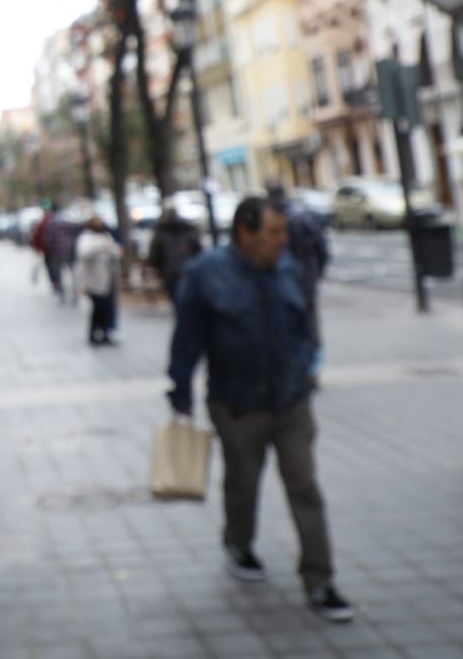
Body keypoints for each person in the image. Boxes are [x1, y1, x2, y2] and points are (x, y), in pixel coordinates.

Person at [166, 196, 354, 623]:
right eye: (273, 233)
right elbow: (187, 338)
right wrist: (179, 390)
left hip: (291, 402)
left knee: (304, 486)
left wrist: (307, 366)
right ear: (244, 234)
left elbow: (305, 324)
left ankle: (320, 581)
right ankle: (239, 542)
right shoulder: (206, 275)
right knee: (242, 484)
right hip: (237, 405)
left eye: (283, 232)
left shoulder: (286, 265)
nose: (282, 240)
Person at [266, 181, 331, 356]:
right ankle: (311, 366)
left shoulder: (269, 222)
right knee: (309, 326)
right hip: (306, 280)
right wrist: (319, 272)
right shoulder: (302, 217)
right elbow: (322, 249)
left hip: (281, 284)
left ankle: (301, 364)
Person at [75, 210, 121, 345]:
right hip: (93, 279)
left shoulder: (106, 236)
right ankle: (94, 333)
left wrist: (111, 247)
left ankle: (106, 332)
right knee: (98, 307)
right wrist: (100, 246)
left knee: (108, 307)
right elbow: (83, 254)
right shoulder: (86, 237)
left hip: (108, 277)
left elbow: (116, 252)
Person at [147, 209, 203, 303]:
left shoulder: (161, 231)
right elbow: (198, 251)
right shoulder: (188, 230)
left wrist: (157, 267)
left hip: (169, 271)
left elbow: (155, 252)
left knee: (176, 300)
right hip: (189, 269)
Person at [40, 208, 78, 302]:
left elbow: (48, 238)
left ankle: (62, 293)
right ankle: (75, 293)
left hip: (57, 251)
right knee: (72, 272)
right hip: (69, 250)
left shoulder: (52, 224)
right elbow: (75, 235)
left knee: (59, 272)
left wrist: (50, 248)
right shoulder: (69, 224)